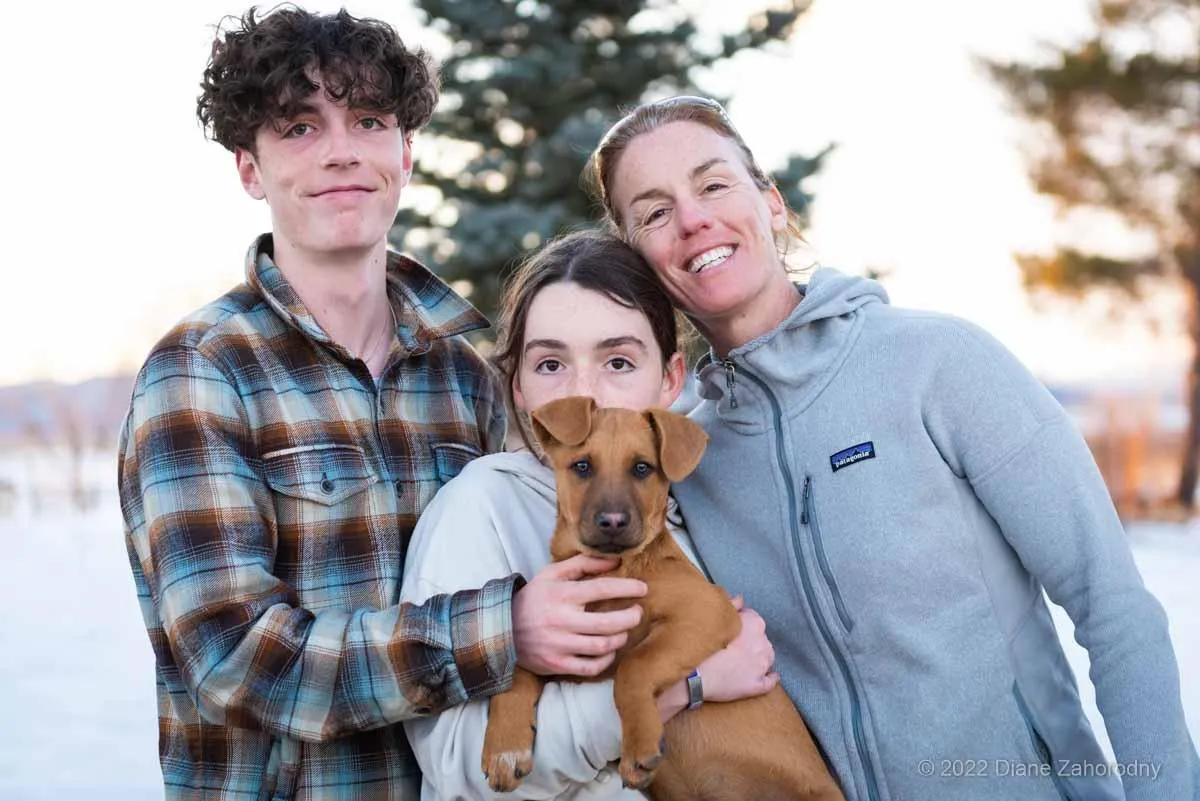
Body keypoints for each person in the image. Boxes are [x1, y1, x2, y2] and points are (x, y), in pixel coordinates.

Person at [584, 95, 1200, 801]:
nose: (693, 219)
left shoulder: (937, 363)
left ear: (772, 203)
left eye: (713, 183)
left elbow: (1113, 607)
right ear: (638, 259)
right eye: (655, 212)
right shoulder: (684, 458)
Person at [117, 8, 645, 799]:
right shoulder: (200, 374)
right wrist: (505, 631)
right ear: (250, 170)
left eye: (367, 120)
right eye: (298, 127)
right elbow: (235, 660)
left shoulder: (470, 376)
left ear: (405, 152)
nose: (340, 151)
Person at [400, 229, 783, 799]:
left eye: (619, 361)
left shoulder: (686, 507)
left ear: (671, 379)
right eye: (551, 363)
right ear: (519, 387)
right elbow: (456, 769)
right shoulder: (480, 506)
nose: (587, 392)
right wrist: (682, 688)